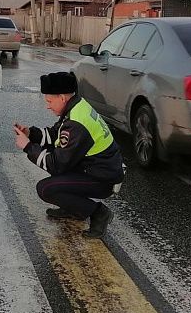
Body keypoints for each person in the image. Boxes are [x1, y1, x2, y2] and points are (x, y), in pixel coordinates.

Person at [13, 72, 124, 238]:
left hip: (102, 179)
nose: (47, 106)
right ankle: (72, 207)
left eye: (50, 101)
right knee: (55, 155)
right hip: (98, 169)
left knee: (45, 189)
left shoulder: (76, 123)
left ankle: (99, 213)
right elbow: (56, 134)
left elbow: (56, 165)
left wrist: (28, 147)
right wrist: (31, 133)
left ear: (62, 98)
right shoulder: (78, 106)